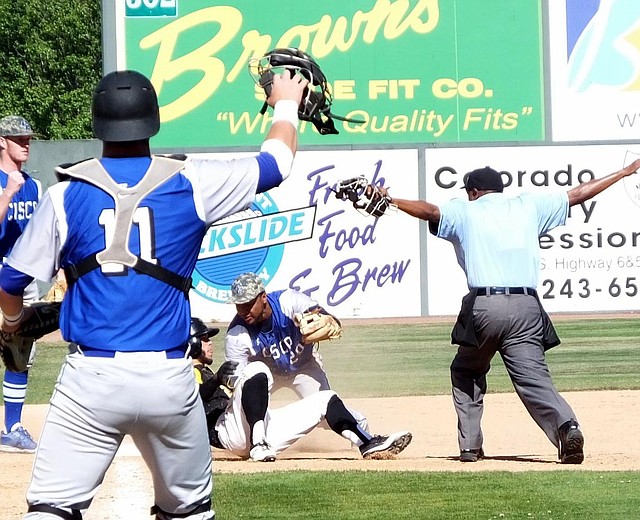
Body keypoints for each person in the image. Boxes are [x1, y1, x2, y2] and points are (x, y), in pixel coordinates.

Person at [0, 68, 308, 520]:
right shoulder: (191, 182)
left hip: (92, 379)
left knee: (51, 509)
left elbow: (10, 284)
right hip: (169, 379)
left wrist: (12, 324)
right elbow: (276, 164)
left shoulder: (67, 195)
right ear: (154, 121)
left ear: (97, 124)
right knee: (189, 511)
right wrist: (285, 101)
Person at [377, 156, 640, 464]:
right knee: (534, 378)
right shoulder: (529, 206)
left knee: (466, 370)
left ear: (473, 191)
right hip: (527, 307)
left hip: (485, 306)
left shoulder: (465, 209)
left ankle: (470, 447)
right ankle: (567, 427)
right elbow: (579, 194)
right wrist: (624, 172)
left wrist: (391, 200)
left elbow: (430, 211)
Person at [223, 272, 412, 461]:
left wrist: (329, 321)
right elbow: (239, 380)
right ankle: (250, 442)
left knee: (325, 410)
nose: (243, 310)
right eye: (239, 305)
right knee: (248, 406)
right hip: (267, 377)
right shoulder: (236, 335)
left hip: (303, 368)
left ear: (263, 297)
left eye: (248, 304)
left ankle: (364, 435)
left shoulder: (287, 301)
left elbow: (327, 317)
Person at [189, 317, 412, 462]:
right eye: (205, 338)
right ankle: (258, 444)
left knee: (325, 399)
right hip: (229, 433)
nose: (210, 343)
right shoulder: (185, 372)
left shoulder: (207, 373)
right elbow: (190, 400)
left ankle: (367, 444)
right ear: (192, 344)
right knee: (257, 368)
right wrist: (216, 379)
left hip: (259, 429)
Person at [0, 115, 42, 453]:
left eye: (28, 138)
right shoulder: (7, 183)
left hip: (23, 279)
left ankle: (13, 426)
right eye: (18, 138)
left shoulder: (35, 185)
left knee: (20, 353)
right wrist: (8, 192)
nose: (25, 143)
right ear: (2, 142)